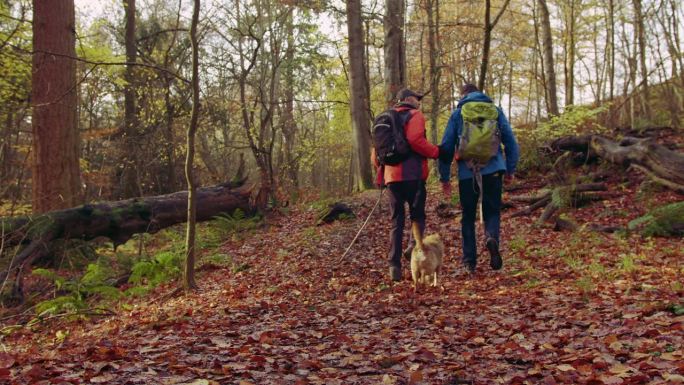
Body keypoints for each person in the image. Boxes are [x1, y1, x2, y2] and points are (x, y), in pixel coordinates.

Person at [438, 83, 519, 274]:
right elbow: (511, 142)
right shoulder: (495, 111)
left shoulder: (458, 114)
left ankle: (469, 262)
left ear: (463, 95)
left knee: (467, 216)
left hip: (467, 173)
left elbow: (446, 147)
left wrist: (445, 177)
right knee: (492, 211)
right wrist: (510, 169)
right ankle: (491, 237)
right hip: (494, 170)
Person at [372, 88, 446, 281]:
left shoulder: (385, 118)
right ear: (406, 100)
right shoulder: (415, 115)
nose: (419, 101)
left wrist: (382, 171)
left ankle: (394, 265)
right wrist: (436, 152)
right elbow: (415, 140)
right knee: (417, 216)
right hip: (413, 175)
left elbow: (375, 153)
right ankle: (413, 248)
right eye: (416, 98)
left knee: (396, 221)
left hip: (392, 178)